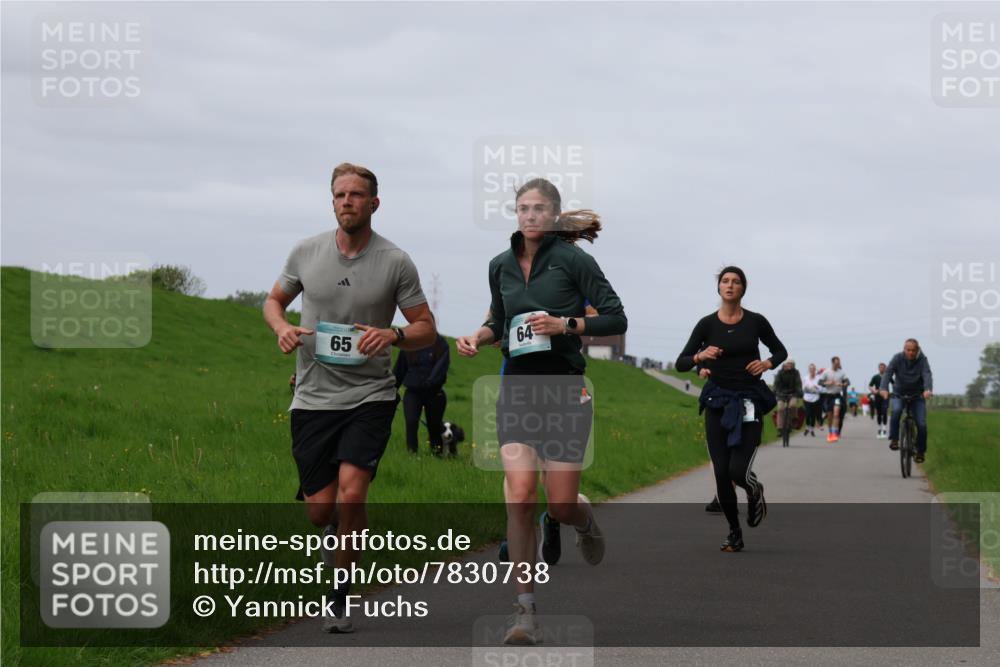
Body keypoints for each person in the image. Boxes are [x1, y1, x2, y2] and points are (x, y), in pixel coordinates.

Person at [263, 163, 435, 633]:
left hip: (370, 395)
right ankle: (336, 535)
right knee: (321, 510)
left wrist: (393, 334)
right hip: (313, 396)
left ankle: (339, 598)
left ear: (374, 203)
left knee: (354, 493)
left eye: (357, 195)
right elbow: (273, 300)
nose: (347, 202)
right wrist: (281, 328)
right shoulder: (306, 252)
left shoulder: (395, 261)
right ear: (331, 200)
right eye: (339, 195)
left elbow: (426, 329)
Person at [456, 178, 626, 645]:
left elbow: (616, 317)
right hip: (517, 390)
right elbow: (498, 319)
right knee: (521, 493)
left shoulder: (575, 261)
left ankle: (583, 519)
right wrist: (478, 336)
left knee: (560, 504)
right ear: (516, 214)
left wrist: (565, 324)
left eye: (539, 209)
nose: (530, 216)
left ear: (553, 216)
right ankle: (524, 611)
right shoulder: (500, 266)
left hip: (566, 391)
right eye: (523, 209)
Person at [676, 266, 786, 552]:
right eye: (725, 281)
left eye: (736, 282)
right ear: (719, 288)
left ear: (742, 289)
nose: (730, 285)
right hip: (717, 403)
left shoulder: (756, 322)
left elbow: (780, 351)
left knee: (738, 471)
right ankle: (734, 531)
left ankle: (753, 490)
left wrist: (766, 364)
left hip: (749, 399)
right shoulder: (706, 325)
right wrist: (701, 356)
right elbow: (682, 362)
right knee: (721, 474)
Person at [393, 333, 451, 455]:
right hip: (413, 392)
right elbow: (400, 368)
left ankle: (437, 454)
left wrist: (430, 382)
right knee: (411, 422)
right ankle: (412, 454)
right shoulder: (408, 344)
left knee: (434, 426)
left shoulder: (441, 344)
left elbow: (441, 367)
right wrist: (392, 389)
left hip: (434, 393)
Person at [880, 339, 933, 462]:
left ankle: (920, 451)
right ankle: (894, 439)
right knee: (896, 411)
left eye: (913, 350)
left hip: (917, 396)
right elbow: (888, 373)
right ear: (904, 349)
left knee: (921, 424)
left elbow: (927, 374)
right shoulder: (897, 358)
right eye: (908, 350)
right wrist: (883, 388)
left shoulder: (922, 360)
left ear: (917, 350)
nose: (910, 353)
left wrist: (927, 389)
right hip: (900, 393)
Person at [817, 357, 848, 442]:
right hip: (828, 396)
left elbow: (847, 382)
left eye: (838, 363)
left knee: (836, 412)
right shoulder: (827, 372)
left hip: (837, 395)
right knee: (829, 415)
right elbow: (819, 382)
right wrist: (827, 383)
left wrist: (842, 384)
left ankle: (835, 433)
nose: (837, 365)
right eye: (836, 363)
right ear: (832, 363)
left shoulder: (841, 373)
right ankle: (830, 432)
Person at [773, 360, 803, 434]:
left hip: (793, 393)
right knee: (780, 409)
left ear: (793, 365)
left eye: (791, 364)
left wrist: (799, 390)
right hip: (781, 394)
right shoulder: (780, 372)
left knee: (792, 405)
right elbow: (776, 383)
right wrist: (774, 391)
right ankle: (780, 428)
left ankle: (793, 419)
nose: (789, 365)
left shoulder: (796, 373)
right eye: (788, 364)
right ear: (784, 365)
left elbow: (798, 383)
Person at [869, 362, 890, 439]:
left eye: (883, 367)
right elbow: (870, 385)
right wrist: (873, 391)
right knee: (878, 413)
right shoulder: (875, 377)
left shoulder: (888, 376)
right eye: (880, 367)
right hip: (877, 396)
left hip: (885, 396)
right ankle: (879, 429)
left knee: (884, 412)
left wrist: (893, 392)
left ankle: (884, 429)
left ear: (885, 368)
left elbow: (894, 384)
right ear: (878, 368)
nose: (882, 369)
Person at [802, 363, 822, 436]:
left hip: (815, 399)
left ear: (815, 370)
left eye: (813, 369)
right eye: (810, 369)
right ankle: (807, 427)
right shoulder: (805, 378)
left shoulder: (818, 378)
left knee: (813, 415)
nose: (812, 371)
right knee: (808, 414)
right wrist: (806, 387)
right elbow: (803, 388)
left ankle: (812, 429)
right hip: (807, 398)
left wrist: (816, 387)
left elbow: (821, 389)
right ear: (809, 370)